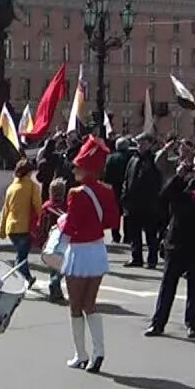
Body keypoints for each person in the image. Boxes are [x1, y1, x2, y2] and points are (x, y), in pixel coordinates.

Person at [144, 153, 195, 338]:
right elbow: (164, 198)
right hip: (175, 240)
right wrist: (179, 177)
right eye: (194, 165)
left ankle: (192, 323)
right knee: (168, 283)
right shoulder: (184, 184)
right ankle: (158, 323)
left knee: (194, 282)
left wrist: (192, 183)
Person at [59, 137, 121, 372]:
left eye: (76, 165)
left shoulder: (76, 192)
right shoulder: (106, 190)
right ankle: (98, 352)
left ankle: (81, 354)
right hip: (97, 249)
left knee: (75, 305)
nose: (73, 169)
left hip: (79, 250)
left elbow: (71, 224)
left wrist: (57, 244)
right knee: (90, 303)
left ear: (85, 167)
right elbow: (113, 220)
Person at [0, 159, 42, 289]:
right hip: (25, 226)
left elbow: (5, 209)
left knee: (21, 254)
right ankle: (21, 278)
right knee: (21, 257)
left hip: (11, 227)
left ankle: (25, 277)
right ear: (29, 172)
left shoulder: (11, 188)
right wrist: (42, 220)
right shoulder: (32, 186)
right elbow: (38, 205)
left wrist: (1, 228)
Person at [121, 134, 162, 268]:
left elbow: (158, 181)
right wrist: (124, 195)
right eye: (138, 143)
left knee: (151, 234)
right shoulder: (133, 159)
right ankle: (136, 258)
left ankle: (152, 259)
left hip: (149, 203)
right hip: (133, 203)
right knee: (134, 234)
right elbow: (127, 178)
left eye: (143, 143)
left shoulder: (154, 160)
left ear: (150, 144)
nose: (140, 145)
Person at [38, 178, 68, 302]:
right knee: (63, 265)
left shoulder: (46, 206)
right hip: (62, 240)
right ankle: (56, 283)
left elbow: (40, 224)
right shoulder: (66, 207)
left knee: (53, 264)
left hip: (48, 240)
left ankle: (55, 290)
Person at [102, 138, 131, 244]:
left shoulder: (110, 158)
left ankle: (115, 236)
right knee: (127, 213)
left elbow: (106, 174)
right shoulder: (130, 157)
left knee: (116, 213)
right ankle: (128, 236)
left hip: (113, 188)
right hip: (127, 188)